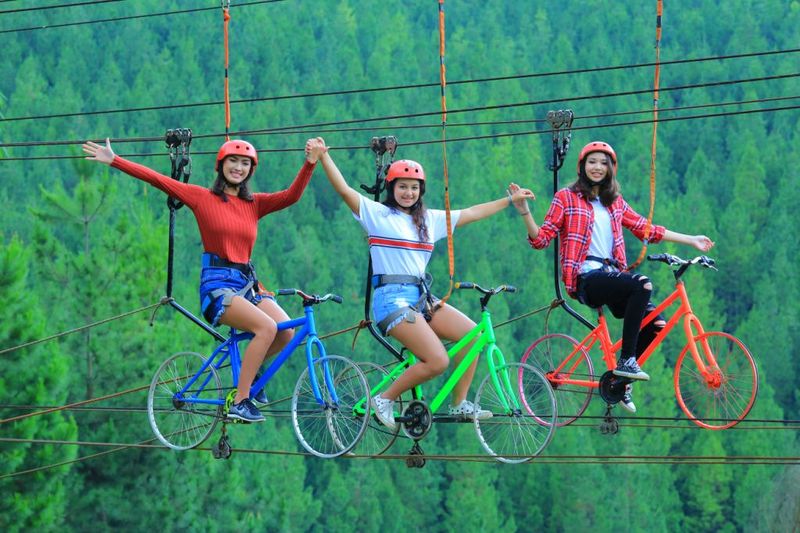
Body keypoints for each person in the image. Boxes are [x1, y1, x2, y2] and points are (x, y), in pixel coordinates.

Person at [82, 136, 327, 422]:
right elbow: (159, 180)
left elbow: (291, 196)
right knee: (266, 327)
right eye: (233, 161)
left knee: (285, 332)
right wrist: (115, 160)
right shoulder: (202, 198)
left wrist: (310, 163)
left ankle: (252, 368)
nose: (238, 167)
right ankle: (241, 400)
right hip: (218, 286)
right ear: (220, 165)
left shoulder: (254, 204)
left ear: (251, 169)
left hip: (247, 285)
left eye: (245, 163)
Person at [315, 138, 535, 429]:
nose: (408, 192)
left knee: (471, 337)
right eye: (402, 186)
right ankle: (383, 398)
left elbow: (471, 213)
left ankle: (460, 404)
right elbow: (344, 189)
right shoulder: (377, 215)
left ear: (421, 191)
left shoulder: (428, 221)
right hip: (391, 300)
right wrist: (323, 157)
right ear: (392, 188)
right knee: (437, 361)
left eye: (414, 187)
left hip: (420, 299)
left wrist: (510, 201)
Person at [510, 141, 714, 413]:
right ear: (582, 166)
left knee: (656, 325)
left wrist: (691, 240)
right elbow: (542, 239)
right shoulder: (566, 198)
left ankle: (621, 379)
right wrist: (525, 212)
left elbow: (646, 229)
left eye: (603, 163)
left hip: (612, 276)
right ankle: (627, 361)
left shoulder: (614, 202)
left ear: (611, 169)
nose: (597, 167)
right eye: (592, 161)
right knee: (642, 284)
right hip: (585, 278)